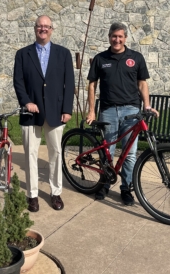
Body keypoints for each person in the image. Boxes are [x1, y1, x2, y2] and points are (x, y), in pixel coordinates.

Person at [86, 22, 158, 205]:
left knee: (130, 153)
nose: (116, 40)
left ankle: (126, 188)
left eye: (120, 36)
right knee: (107, 152)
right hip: (108, 111)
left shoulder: (136, 57)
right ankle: (104, 185)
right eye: (113, 36)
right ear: (109, 37)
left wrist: (147, 107)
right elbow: (92, 85)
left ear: (125, 38)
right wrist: (92, 111)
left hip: (131, 111)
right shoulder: (100, 59)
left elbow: (142, 84)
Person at [13, 15, 75, 212]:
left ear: (52, 29)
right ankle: (32, 195)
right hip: (31, 113)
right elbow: (18, 82)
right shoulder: (23, 54)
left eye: (47, 26)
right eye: (40, 26)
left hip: (56, 112)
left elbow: (69, 83)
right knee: (30, 155)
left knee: (55, 154)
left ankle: (55, 192)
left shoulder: (63, 54)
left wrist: (67, 109)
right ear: (34, 29)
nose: (43, 29)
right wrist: (26, 102)